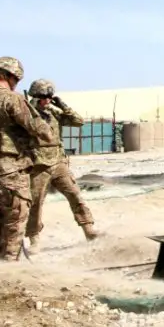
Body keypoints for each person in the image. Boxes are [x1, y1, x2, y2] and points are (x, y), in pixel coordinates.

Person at [0, 57, 54, 260]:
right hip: (9, 168)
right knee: (15, 219)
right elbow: (42, 131)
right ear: (11, 76)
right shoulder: (11, 98)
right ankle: (9, 268)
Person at [24, 79, 101, 250]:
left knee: (75, 195)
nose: (47, 100)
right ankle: (34, 238)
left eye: (50, 97)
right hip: (38, 165)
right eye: (44, 97)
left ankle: (88, 230)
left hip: (59, 163)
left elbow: (78, 121)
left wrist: (62, 105)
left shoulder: (53, 113)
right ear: (35, 97)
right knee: (35, 203)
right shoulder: (26, 114)